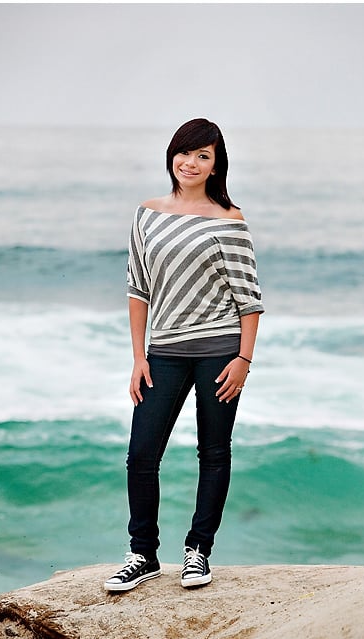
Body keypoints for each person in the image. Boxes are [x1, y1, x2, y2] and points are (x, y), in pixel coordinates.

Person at [105, 118, 263, 592]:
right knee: (141, 455)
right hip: (165, 352)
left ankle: (198, 551)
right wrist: (139, 357)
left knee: (213, 452)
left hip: (220, 351)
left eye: (203, 156)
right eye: (185, 152)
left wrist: (244, 360)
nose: (190, 163)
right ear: (172, 155)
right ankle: (143, 554)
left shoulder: (229, 220)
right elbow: (138, 289)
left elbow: (248, 297)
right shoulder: (147, 214)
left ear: (216, 166)